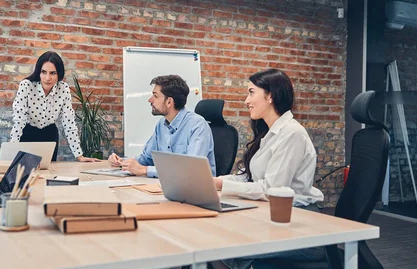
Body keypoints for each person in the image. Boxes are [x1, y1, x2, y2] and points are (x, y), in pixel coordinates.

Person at [212, 68, 325, 269]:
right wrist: (216, 182)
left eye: (251, 92)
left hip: (299, 219)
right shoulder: (268, 133)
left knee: (223, 245)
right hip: (272, 214)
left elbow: (271, 188)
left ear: (270, 95)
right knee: (214, 236)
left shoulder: (292, 134)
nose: (246, 100)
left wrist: (222, 185)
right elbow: (248, 178)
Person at [108, 74, 215, 177]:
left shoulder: (197, 125)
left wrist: (144, 170)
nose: (150, 100)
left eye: (155, 96)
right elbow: (146, 159)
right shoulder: (161, 125)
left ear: (169, 102)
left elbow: (191, 169)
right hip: (168, 186)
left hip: (195, 190)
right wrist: (122, 162)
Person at [10, 51, 100, 162]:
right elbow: (19, 120)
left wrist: (79, 155)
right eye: (43, 72)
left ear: (59, 74)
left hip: (49, 135)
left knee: (47, 171)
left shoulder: (63, 89)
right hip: (27, 133)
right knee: (23, 173)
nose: (47, 78)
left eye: (53, 73)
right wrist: (12, 150)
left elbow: (69, 122)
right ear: (38, 72)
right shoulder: (26, 86)